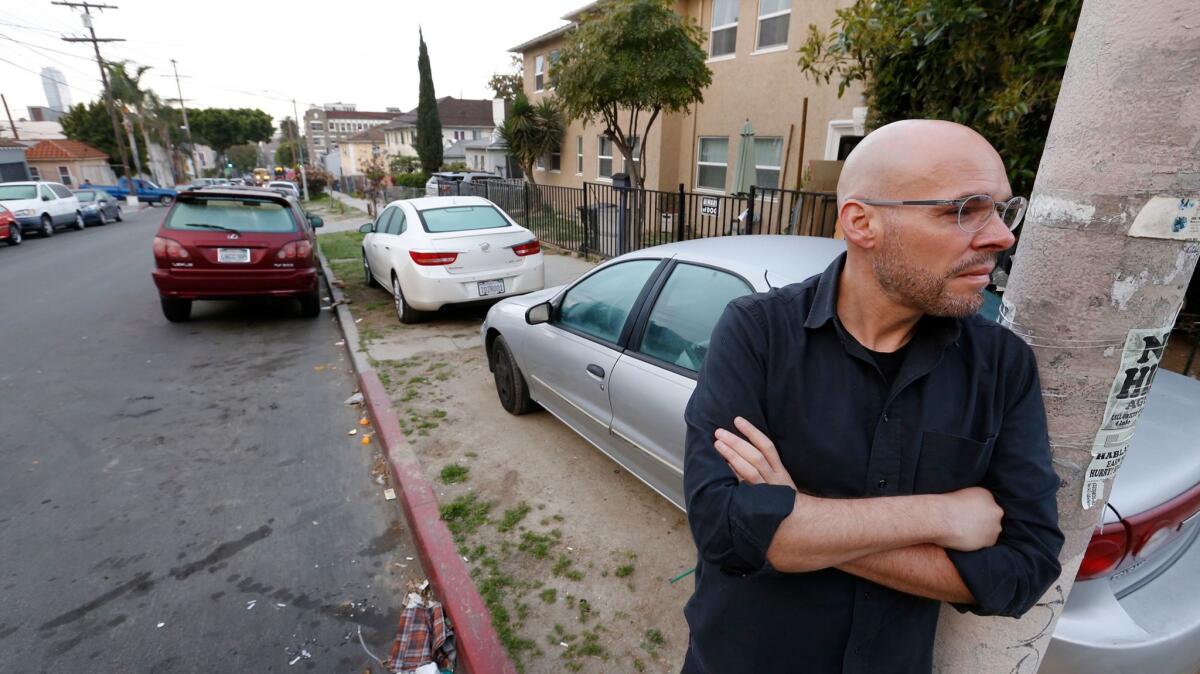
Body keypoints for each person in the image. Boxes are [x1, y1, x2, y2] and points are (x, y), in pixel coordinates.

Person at [681, 119, 1064, 673]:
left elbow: (1022, 573)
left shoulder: (1001, 365)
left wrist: (797, 524)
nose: (1002, 237)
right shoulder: (758, 332)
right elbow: (725, 529)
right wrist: (941, 516)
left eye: (1004, 210)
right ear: (862, 223)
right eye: (963, 210)